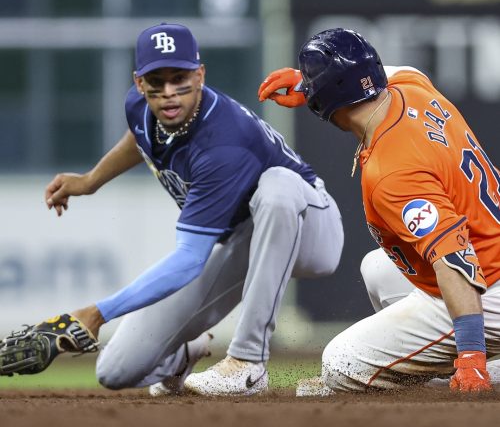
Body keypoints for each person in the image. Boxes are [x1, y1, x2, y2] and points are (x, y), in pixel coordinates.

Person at [43, 23, 344, 396]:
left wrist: (98, 313)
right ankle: (184, 354)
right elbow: (140, 137)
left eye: (180, 78)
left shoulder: (224, 143)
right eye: (157, 80)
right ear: (139, 83)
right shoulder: (140, 107)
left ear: (200, 75)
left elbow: (189, 259)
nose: (168, 92)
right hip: (242, 240)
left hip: (312, 225)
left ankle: (247, 361)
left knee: (276, 187)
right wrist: (90, 181)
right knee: (116, 369)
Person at [258, 28, 500, 394]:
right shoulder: (410, 85)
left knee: (341, 362)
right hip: (489, 258)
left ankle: (480, 368)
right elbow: (379, 71)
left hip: (485, 287)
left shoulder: (393, 169)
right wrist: (309, 84)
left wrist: (470, 357)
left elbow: (456, 260)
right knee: (377, 268)